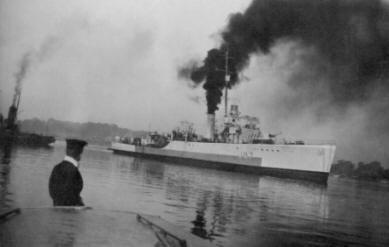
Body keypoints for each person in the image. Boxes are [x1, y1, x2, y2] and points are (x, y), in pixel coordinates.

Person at [49, 138, 87, 206]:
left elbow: (53, 193)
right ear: (79, 153)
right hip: (69, 214)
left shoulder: (56, 168)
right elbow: (70, 197)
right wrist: (81, 204)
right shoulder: (74, 171)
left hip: (56, 210)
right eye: (81, 152)